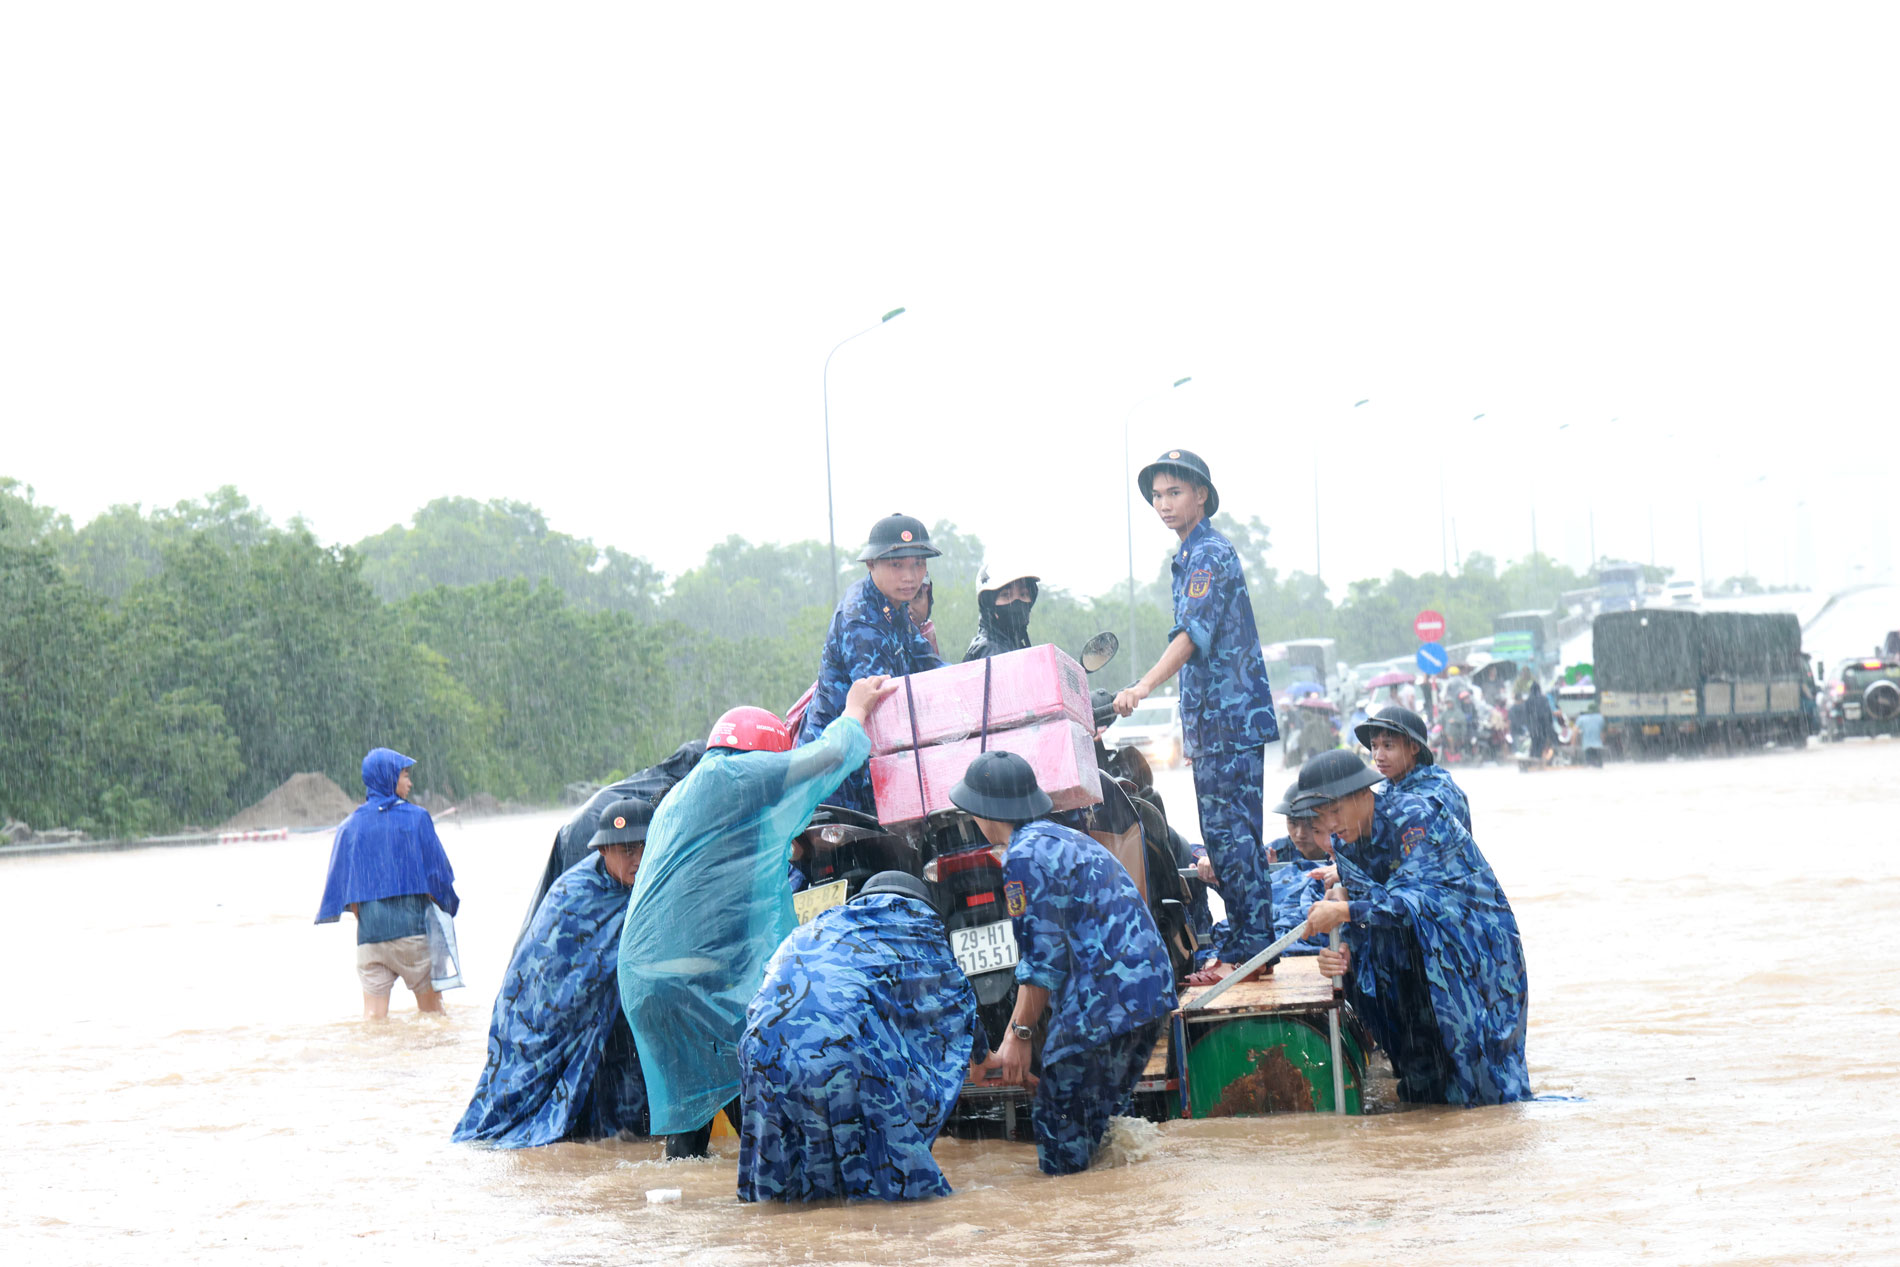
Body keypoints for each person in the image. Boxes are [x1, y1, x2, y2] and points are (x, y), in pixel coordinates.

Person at [620, 676, 900, 1159]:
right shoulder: (733, 777)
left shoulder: (679, 798)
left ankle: (691, 1211)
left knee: (692, 1134)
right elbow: (827, 757)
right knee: (765, 1109)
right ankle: (780, 1207)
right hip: (701, 989)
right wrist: (855, 711)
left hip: (648, 983)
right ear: (757, 758)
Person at [953, 751, 1176, 1176]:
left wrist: (1017, 1036)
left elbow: (1042, 960)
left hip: (1106, 1004)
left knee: (1059, 1135)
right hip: (1146, 998)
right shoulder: (1060, 838)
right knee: (1100, 1130)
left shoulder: (1023, 856)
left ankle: (1077, 1235)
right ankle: (1122, 1225)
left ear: (982, 812)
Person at [1113, 449, 1279, 985]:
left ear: (1201, 495)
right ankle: (1253, 944)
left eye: (1175, 493)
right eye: (1157, 495)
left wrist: (1141, 686)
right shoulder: (1188, 556)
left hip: (1230, 721)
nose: (1163, 504)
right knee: (1231, 836)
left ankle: (1251, 949)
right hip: (1217, 723)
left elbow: (1189, 639)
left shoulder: (1208, 554)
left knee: (1231, 839)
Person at [1296, 750, 1530, 1106]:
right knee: (1416, 1066)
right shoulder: (1345, 842)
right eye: (1320, 817)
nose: (1330, 826)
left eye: (1335, 811)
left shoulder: (1413, 817)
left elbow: (1414, 902)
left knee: (1479, 1067)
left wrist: (1343, 911)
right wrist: (1342, 947)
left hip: (1466, 949)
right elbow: (1365, 907)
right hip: (1406, 955)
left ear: (1363, 794)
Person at [737, 871, 987, 1202]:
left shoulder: (821, 927)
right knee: (901, 1203)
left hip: (760, 1054)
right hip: (840, 1050)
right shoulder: (916, 927)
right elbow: (956, 1005)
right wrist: (984, 1057)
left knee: (784, 1199)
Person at [454, 798, 654, 1147]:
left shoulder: (655, 889)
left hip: (620, 1032)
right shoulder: (572, 895)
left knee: (631, 1131)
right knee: (543, 1124)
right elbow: (543, 980)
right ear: (604, 849)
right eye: (627, 849)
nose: (637, 858)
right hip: (567, 1025)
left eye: (643, 847)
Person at [796, 513, 946, 815]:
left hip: (867, 763)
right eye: (897, 565)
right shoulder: (861, 619)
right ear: (870, 564)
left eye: (918, 564)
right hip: (836, 777)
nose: (910, 576)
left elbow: (931, 666)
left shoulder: (894, 608)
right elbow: (884, 709)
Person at [315, 748, 459, 1020]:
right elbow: (437, 876)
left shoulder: (350, 826)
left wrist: (369, 921)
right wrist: (450, 905)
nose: (410, 783)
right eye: (405, 775)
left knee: (373, 1021)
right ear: (389, 778)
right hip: (413, 935)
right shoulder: (416, 819)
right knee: (434, 1016)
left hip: (369, 940)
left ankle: (375, 1063)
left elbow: (345, 889)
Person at [1355, 704, 1471, 831]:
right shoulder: (1388, 785)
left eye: (1388, 746)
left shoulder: (1438, 796)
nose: (1378, 756)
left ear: (1414, 748)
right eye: (1374, 746)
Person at [964, 560, 1040, 661]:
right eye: (1006, 595)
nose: (1016, 603)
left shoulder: (1016, 647)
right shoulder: (990, 652)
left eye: (1023, 594)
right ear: (989, 605)